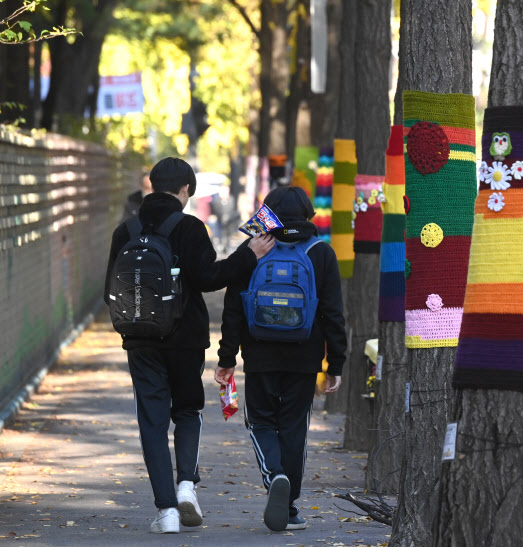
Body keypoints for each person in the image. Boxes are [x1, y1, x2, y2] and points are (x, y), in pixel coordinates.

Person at [104, 157, 275, 534]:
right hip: (185, 340)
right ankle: (186, 487)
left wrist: (132, 331)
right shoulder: (190, 227)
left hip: (140, 342)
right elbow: (210, 278)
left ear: (152, 185)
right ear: (185, 190)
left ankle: (165, 512)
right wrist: (250, 254)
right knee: (187, 411)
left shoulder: (125, 231)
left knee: (151, 422)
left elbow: (109, 292)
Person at [214, 186, 346, 532]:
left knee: (260, 422)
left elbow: (233, 309)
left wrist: (227, 357)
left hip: (259, 354)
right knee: (293, 427)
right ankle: (289, 509)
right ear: (307, 214)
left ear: (267, 214)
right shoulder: (321, 252)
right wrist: (337, 364)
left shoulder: (254, 248)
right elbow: (333, 313)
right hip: (305, 356)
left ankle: (275, 476)